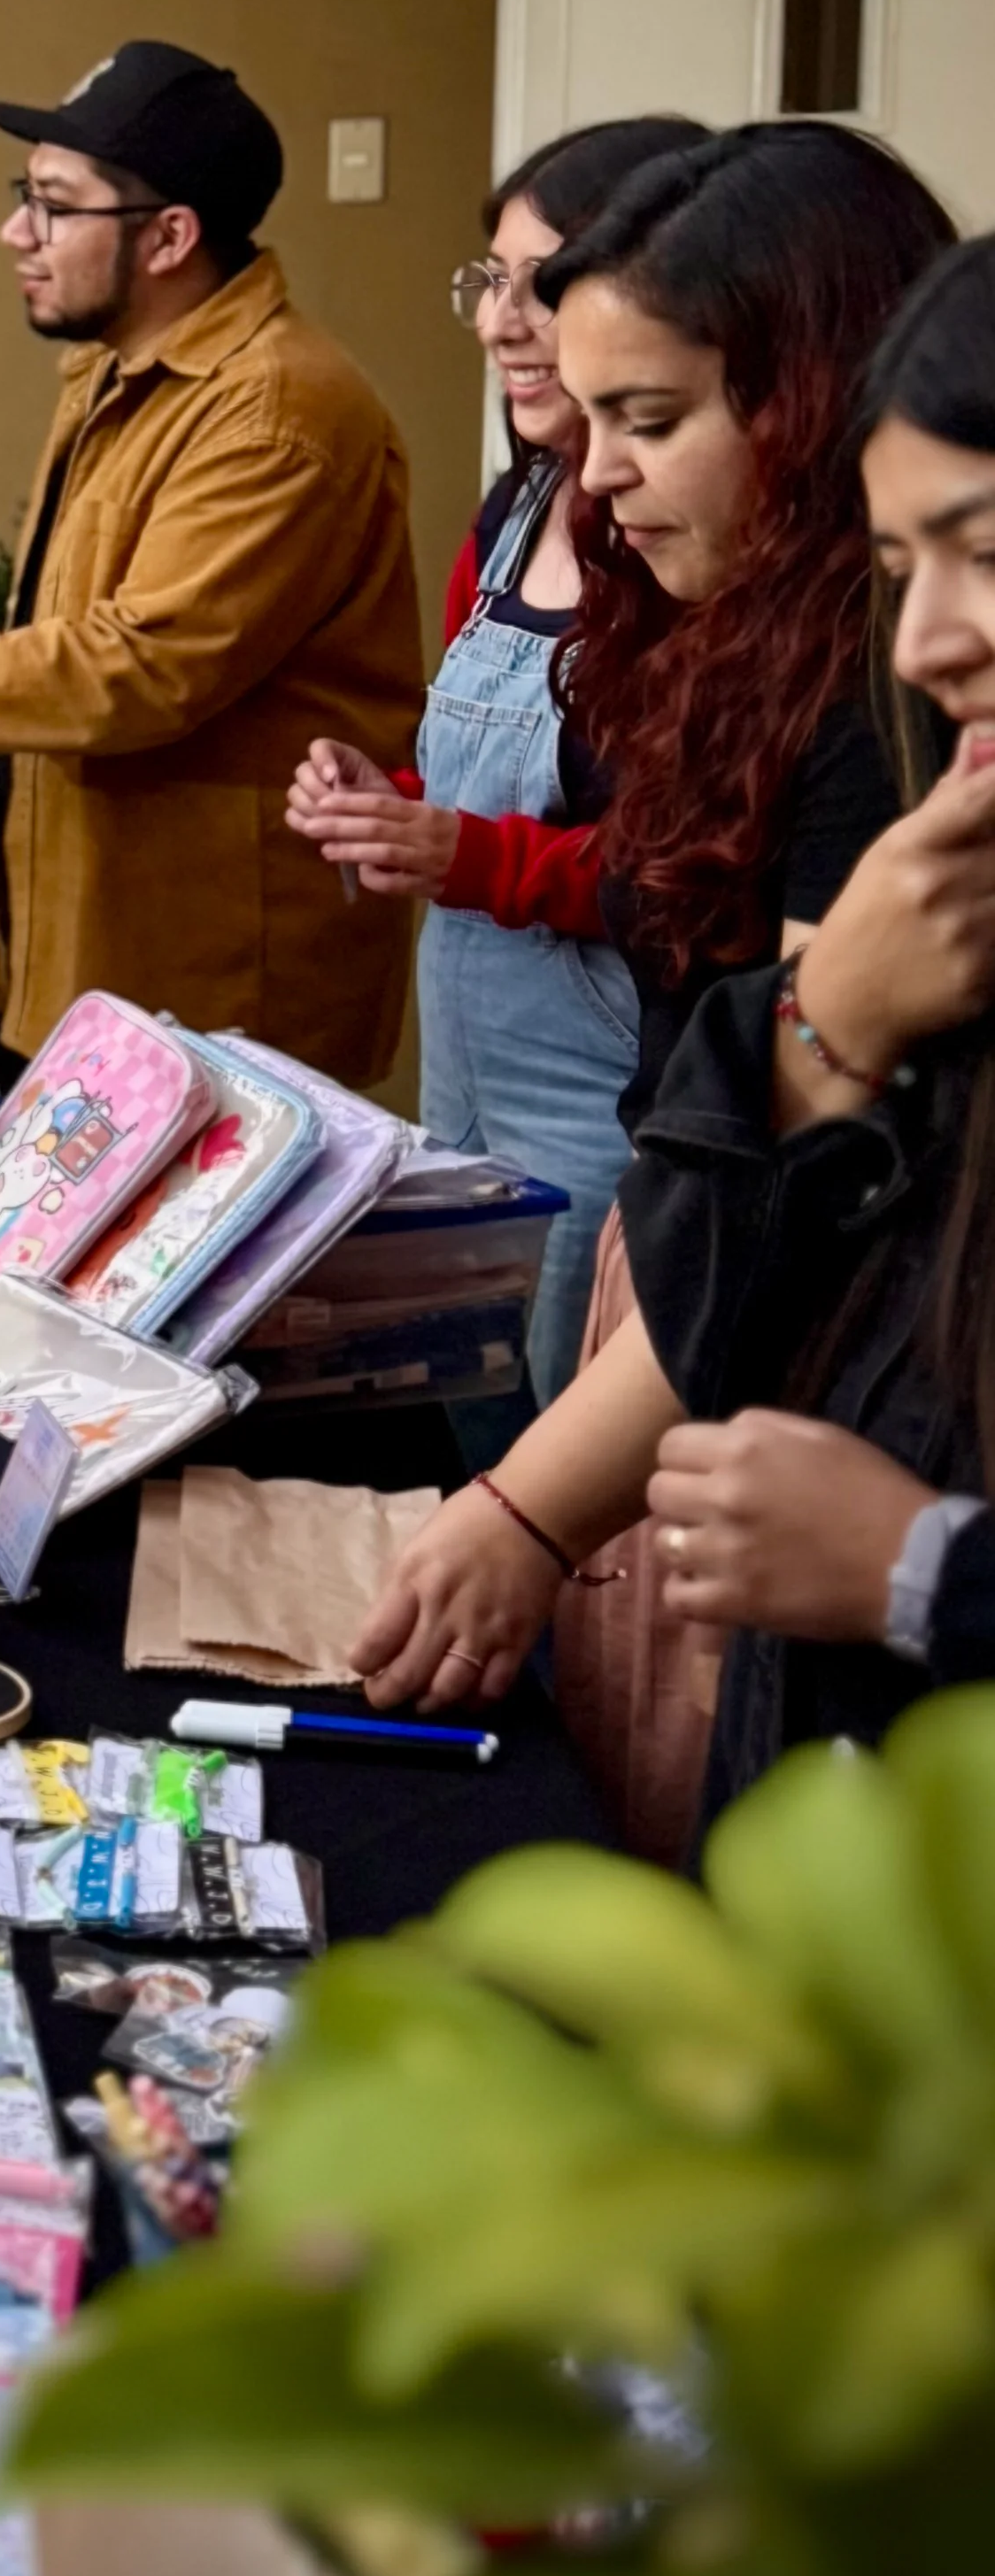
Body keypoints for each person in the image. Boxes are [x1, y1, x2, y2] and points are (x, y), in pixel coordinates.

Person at [348, 123, 959, 1821]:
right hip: (681, 1282)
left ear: (809, 399)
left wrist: (532, 1512)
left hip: (772, 1360)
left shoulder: (869, 709)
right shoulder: (735, 635)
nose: (596, 477)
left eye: (648, 420)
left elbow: (802, 1167)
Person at [0, 42, 420, 1087]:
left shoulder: (276, 411)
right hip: (90, 982)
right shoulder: (117, 374)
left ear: (169, 237)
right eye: (25, 195)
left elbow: (134, 675)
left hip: (213, 1019)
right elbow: (96, 672)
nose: (16, 231)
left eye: (53, 203)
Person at [613, 234, 995, 1792]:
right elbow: (707, 1332)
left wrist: (921, 1568)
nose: (923, 645)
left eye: (981, 552)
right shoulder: (938, 937)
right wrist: (823, 1027)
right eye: (899, 573)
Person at [284, 112, 709, 1421]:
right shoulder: (511, 507)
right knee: (465, 1416)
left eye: (546, 282)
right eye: (490, 281)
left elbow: (685, 866)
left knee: (558, 1449)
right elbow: (465, 784)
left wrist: (462, 857)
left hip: (597, 1093)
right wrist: (386, 807)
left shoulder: (680, 537)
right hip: (458, 1064)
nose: (502, 322)